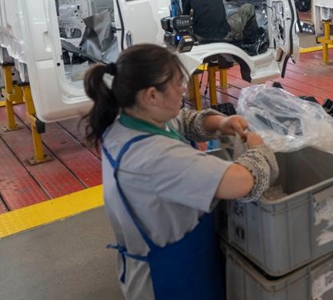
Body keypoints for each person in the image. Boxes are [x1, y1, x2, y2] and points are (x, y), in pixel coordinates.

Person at [83, 44, 278, 300]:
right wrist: (259, 150)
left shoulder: (128, 122)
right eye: (177, 84)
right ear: (151, 96)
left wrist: (220, 122)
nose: (183, 90)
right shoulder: (155, 157)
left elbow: (183, 120)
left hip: (162, 257)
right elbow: (240, 182)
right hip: (168, 277)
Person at [181, 0, 258, 43]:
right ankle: (250, 42)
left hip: (200, 36)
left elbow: (185, 15)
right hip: (223, 35)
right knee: (249, 7)